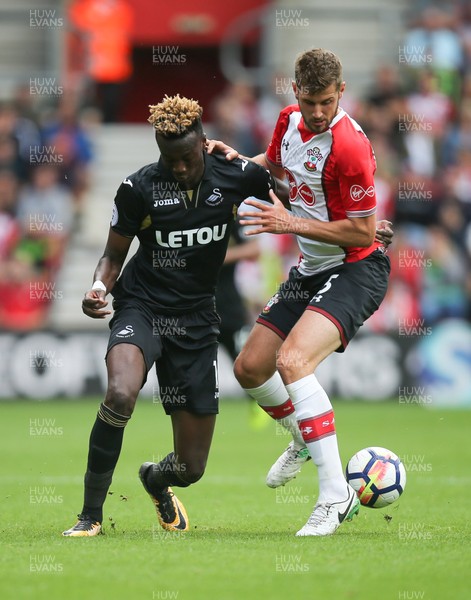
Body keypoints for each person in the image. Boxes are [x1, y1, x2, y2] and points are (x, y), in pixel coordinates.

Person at [62, 94, 279, 537]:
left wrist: (361, 227)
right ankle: (90, 517)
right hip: (141, 306)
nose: (178, 168)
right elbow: (112, 254)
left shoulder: (236, 175)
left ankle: (156, 481)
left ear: (203, 142)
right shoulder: (138, 187)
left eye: (184, 158)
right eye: (168, 159)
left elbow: (299, 194)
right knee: (120, 394)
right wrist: (99, 287)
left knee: (191, 467)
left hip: (196, 319)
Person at [207, 48, 392, 537]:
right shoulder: (288, 122)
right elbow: (272, 166)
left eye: (326, 102)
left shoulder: (349, 146)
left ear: (342, 93)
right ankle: (305, 438)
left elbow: (363, 234)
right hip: (313, 268)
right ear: (295, 93)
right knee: (249, 368)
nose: (316, 112)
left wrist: (291, 222)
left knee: (293, 362)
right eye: (309, 101)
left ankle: (335, 495)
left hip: (357, 269)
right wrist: (235, 158)